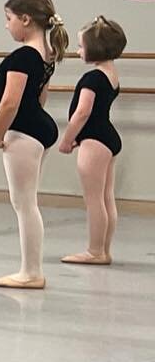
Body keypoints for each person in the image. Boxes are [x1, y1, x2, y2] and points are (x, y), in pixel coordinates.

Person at [0, 0, 67, 290]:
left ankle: (31, 271)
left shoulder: (24, 56)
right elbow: (40, 94)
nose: (7, 26)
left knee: (24, 203)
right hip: (37, 127)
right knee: (26, 200)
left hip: (24, 131)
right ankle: (30, 270)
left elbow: (10, 102)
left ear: (25, 19)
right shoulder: (46, 53)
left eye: (8, 19)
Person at [59, 16, 125, 267]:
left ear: (95, 49)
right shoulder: (111, 73)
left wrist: (67, 139)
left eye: (80, 46)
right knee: (106, 197)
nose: (77, 51)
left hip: (94, 140)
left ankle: (94, 250)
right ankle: (103, 249)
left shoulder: (93, 78)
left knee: (94, 199)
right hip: (108, 137)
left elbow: (82, 112)